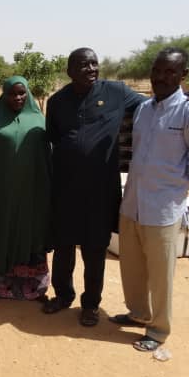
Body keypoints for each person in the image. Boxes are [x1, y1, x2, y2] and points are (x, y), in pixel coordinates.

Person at [110, 48, 189, 352]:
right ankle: (138, 313)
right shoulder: (145, 109)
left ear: (184, 76)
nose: (160, 77)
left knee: (160, 274)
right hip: (133, 204)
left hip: (163, 207)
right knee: (132, 266)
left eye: (170, 72)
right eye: (157, 70)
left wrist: (176, 182)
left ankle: (157, 330)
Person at [43, 47, 146, 326]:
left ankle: (90, 305)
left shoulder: (116, 92)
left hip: (100, 191)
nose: (91, 69)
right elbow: (53, 138)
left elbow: (150, 106)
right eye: (83, 65)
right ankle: (63, 296)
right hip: (65, 190)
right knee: (64, 248)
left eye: (94, 64)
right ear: (69, 71)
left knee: (94, 249)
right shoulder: (57, 101)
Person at [0, 76, 51, 300]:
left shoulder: (39, 122)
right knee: (0, 230)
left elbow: (47, 159)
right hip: (0, 192)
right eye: (12, 93)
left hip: (31, 192)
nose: (18, 97)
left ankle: (32, 286)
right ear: (4, 95)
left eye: (22, 93)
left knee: (29, 233)